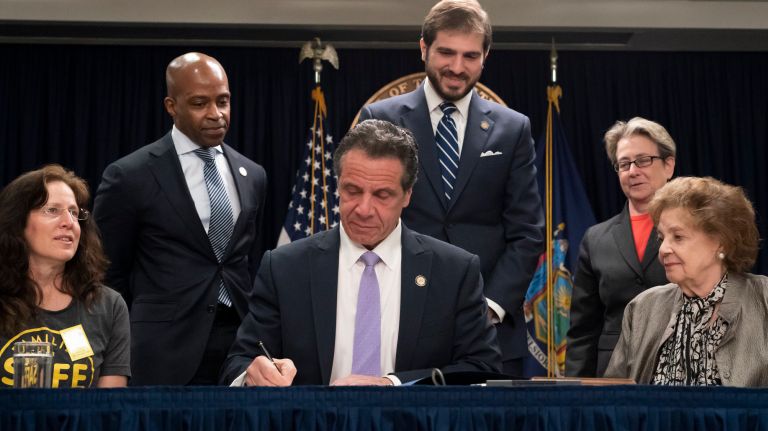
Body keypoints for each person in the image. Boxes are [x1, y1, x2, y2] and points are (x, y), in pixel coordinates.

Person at [220, 119, 501, 386]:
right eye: (352, 191)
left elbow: (481, 366)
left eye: (381, 195)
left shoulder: (454, 271)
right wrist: (251, 375)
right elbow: (240, 361)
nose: (364, 210)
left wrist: (392, 384)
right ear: (338, 185)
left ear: (407, 195)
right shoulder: (284, 268)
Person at [357, 0, 543, 376]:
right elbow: (367, 219)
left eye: (470, 56)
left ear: (485, 56)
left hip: (490, 334)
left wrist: (489, 306)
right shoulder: (381, 118)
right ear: (424, 48)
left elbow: (527, 232)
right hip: (400, 320)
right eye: (446, 52)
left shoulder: (514, 128)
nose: (457, 67)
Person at [93, 52, 267, 385]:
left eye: (223, 101)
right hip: (161, 350)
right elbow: (107, 272)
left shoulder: (253, 174)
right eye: (200, 103)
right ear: (172, 106)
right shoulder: (130, 175)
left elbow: (242, 261)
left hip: (239, 347)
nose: (216, 114)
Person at [605, 176, 768, 386]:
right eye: (662, 238)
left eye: (678, 237)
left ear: (721, 242)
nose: (663, 250)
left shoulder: (763, 299)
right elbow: (612, 400)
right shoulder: (642, 308)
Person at [0, 165, 130, 388]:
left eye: (74, 212)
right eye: (52, 210)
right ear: (18, 223)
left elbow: (110, 409)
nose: (69, 222)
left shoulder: (108, 306)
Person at [566, 117, 675, 377]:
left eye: (643, 160)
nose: (633, 171)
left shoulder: (698, 230)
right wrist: (576, 392)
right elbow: (583, 330)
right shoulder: (596, 238)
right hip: (614, 376)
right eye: (624, 164)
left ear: (668, 165)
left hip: (680, 369)